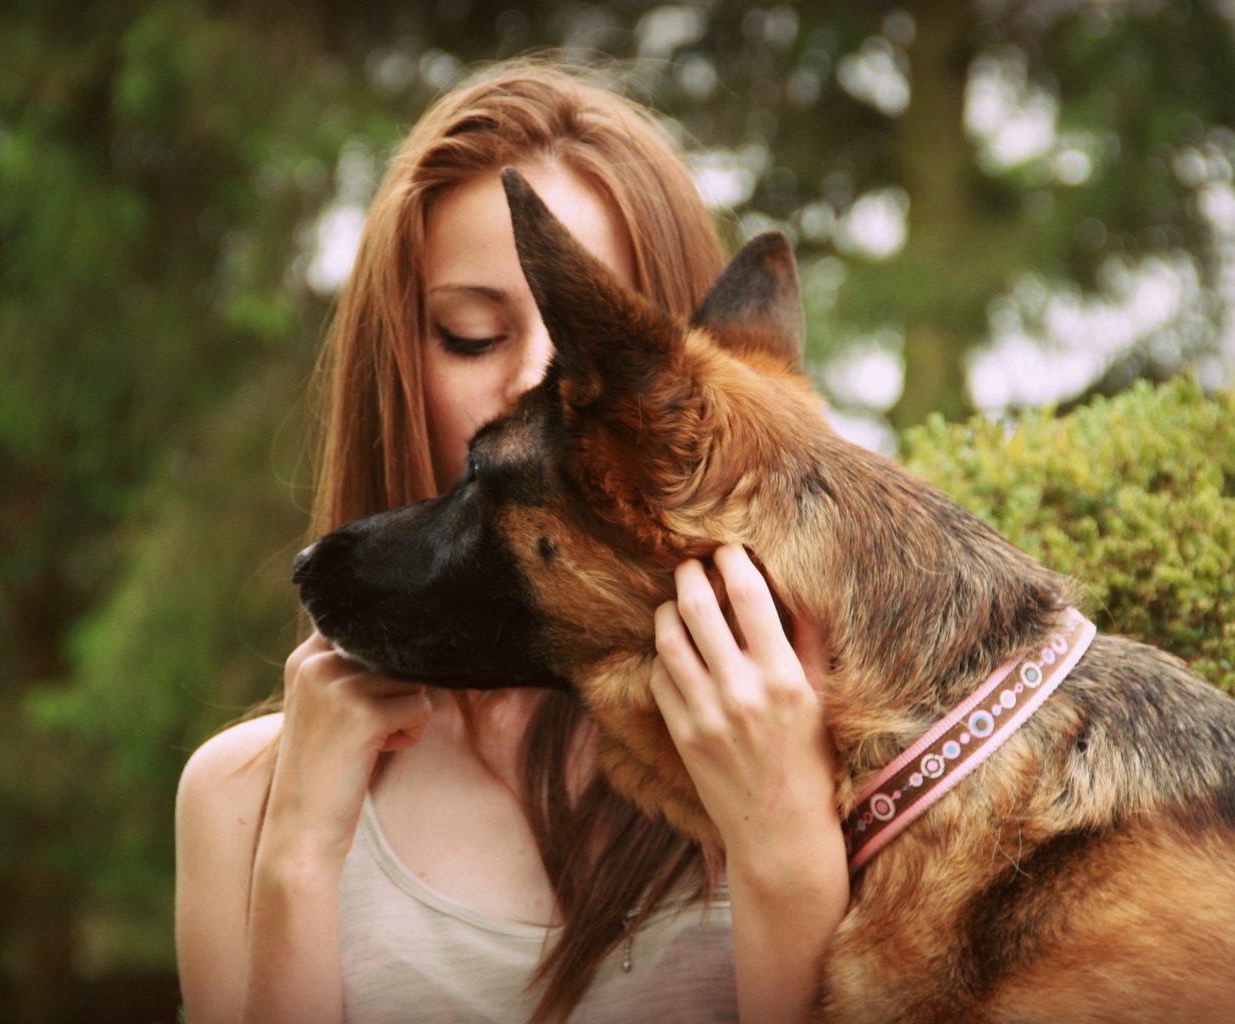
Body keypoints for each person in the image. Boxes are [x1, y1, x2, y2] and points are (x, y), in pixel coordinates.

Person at [175, 62, 849, 1024]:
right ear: (398, 369)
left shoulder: (822, 738)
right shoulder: (241, 793)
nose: (542, 380)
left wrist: (786, 844)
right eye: (472, 334)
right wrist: (297, 856)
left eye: (594, 342)